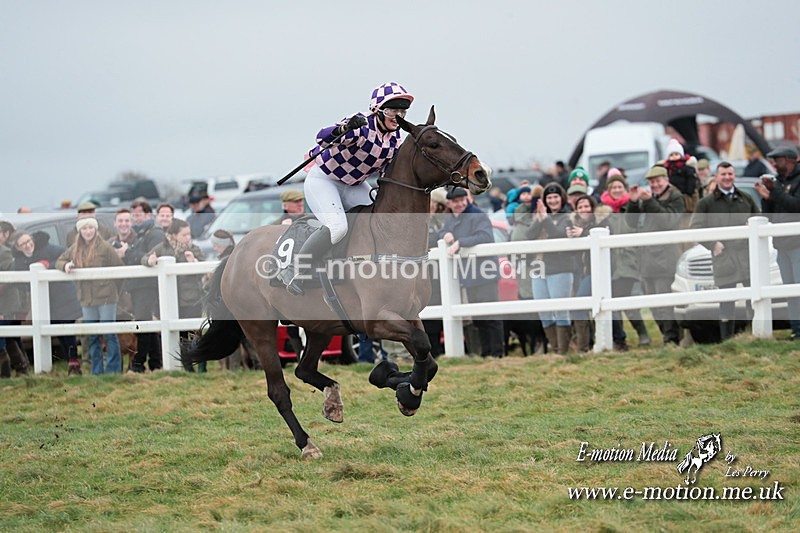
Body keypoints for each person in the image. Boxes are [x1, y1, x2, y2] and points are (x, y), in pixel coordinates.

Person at [283, 81, 414, 295]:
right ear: (377, 110)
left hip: (353, 185)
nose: (397, 116)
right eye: (392, 110)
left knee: (378, 221)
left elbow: (386, 173)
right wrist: (344, 128)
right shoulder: (361, 125)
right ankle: (295, 269)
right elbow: (321, 137)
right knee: (338, 228)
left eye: (402, 111)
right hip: (324, 180)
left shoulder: (395, 139)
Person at [690, 162, 760, 341]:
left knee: (754, 297)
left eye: (730, 174)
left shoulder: (745, 198)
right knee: (726, 299)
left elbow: (759, 220)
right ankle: (727, 340)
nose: (727, 177)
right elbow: (696, 227)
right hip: (723, 257)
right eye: (723, 174)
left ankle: (755, 335)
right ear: (716, 177)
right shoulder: (706, 203)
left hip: (746, 255)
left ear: (734, 176)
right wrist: (712, 244)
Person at [625, 164, 686, 345]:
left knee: (665, 302)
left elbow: (668, 222)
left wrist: (650, 201)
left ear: (666, 180)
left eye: (658, 181)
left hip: (665, 259)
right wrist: (634, 202)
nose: (655, 185)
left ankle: (672, 338)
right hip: (646, 259)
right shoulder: (648, 198)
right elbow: (631, 223)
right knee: (653, 303)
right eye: (651, 182)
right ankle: (667, 335)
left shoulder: (675, 197)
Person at [440, 188, 504, 358]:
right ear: (449, 204)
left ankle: (497, 354)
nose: (460, 204)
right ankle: (486, 353)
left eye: (462, 200)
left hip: (485, 273)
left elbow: (485, 236)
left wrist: (460, 242)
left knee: (490, 316)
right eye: (456, 201)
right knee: (478, 318)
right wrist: (445, 234)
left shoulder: (476, 214)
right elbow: (442, 232)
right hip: (468, 275)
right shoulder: (451, 218)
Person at [57, 218, 124, 374]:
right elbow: (60, 260)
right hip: (86, 299)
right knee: (92, 335)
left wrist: (114, 291)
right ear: (80, 231)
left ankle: (113, 370)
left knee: (109, 334)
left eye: (91, 228)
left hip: (106, 297)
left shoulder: (105, 247)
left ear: (96, 229)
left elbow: (119, 270)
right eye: (84, 228)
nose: (88, 231)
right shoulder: (75, 248)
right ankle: (97, 370)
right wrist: (65, 265)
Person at [11, 230, 82, 373]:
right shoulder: (19, 261)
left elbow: (67, 256)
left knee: (66, 328)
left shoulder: (47, 248)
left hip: (63, 295)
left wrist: (48, 265)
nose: (27, 245)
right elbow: (20, 283)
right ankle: (71, 362)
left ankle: (74, 362)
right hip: (44, 301)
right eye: (23, 244)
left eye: (28, 241)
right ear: (18, 247)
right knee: (57, 331)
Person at [144, 219, 207, 371]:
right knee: (182, 336)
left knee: (196, 333)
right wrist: (150, 260)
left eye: (189, 234)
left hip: (192, 298)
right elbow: (145, 258)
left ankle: (201, 366)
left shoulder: (194, 249)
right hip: (172, 300)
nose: (188, 237)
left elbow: (204, 267)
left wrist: (194, 262)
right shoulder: (162, 248)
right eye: (184, 234)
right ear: (173, 235)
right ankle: (187, 367)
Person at [598, 172, 650, 350]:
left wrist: (634, 202)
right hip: (610, 263)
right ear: (609, 190)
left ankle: (633, 335)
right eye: (614, 187)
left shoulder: (631, 206)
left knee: (622, 298)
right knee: (614, 302)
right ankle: (622, 339)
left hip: (628, 261)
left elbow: (633, 220)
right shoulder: (602, 211)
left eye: (620, 187)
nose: (617, 190)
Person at [754, 146, 800, 340]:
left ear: (790, 160)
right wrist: (767, 198)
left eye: (777, 160)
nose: (774, 164)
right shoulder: (779, 182)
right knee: (789, 290)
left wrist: (776, 192)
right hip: (782, 244)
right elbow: (769, 214)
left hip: (798, 243)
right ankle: (797, 330)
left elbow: (795, 206)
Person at [525, 183, 575, 354]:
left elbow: (557, 234)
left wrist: (544, 218)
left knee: (560, 310)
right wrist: (540, 219)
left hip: (560, 268)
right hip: (539, 268)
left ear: (561, 198)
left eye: (555, 197)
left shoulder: (567, 217)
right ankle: (555, 348)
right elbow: (529, 235)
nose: (552, 200)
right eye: (549, 198)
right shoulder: (540, 216)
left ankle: (563, 351)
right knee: (543, 312)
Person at [124, 199, 165, 373]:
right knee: (147, 323)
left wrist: (127, 252)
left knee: (143, 324)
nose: (135, 219)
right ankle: (155, 363)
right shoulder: (140, 233)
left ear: (148, 215)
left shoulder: (154, 233)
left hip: (147, 286)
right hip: (139, 285)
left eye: (138, 215)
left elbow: (150, 257)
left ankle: (139, 364)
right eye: (133, 215)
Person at [566, 194, 598, 352]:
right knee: (582, 307)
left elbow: (603, 233)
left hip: (595, 272)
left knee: (579, 307)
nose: (584, 210)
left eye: (586, 206)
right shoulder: (572, 225)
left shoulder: (600, 221)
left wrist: (583, 233)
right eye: (580, 207)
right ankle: (589, 342)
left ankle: (583, 347)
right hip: (580, 272)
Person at [0, 221, 29, 377]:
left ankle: (13, 370)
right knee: (10, 337)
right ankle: (21, 368)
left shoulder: (4, 252)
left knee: (8, 335)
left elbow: (9, 278)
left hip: (7, 302)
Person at [663, 138, 700, 213]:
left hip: (686, 195)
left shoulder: (687, 168)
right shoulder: (667, 168)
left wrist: (689, 191)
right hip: (673, 196)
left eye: (676, 154)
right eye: (671, 155)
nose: (674, 157)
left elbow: (691, 180)